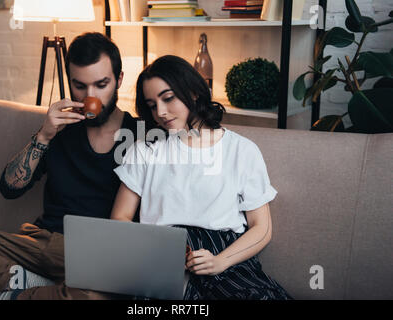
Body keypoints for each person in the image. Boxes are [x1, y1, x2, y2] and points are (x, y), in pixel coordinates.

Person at [0, 32, 138, 300]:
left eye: (101, 84)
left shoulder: (141, 135)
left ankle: (19, 293)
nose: (90, 96)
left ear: (119, 80)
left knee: (101, 291)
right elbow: (9, 188)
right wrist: (44, 135)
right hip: (38, 242)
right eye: (79, 86)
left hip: (94, 253)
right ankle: (20, 281)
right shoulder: (58, 130)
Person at [111, 55, 292, 300]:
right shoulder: (144, 150)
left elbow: (262, 228)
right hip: (161, 256)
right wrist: (153, 250)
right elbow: (119, 218)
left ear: (194, 93)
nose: (161, 113)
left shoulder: (242, 150)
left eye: (168, 98)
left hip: (224, 257)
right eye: (152, 105)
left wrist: (219, 262)